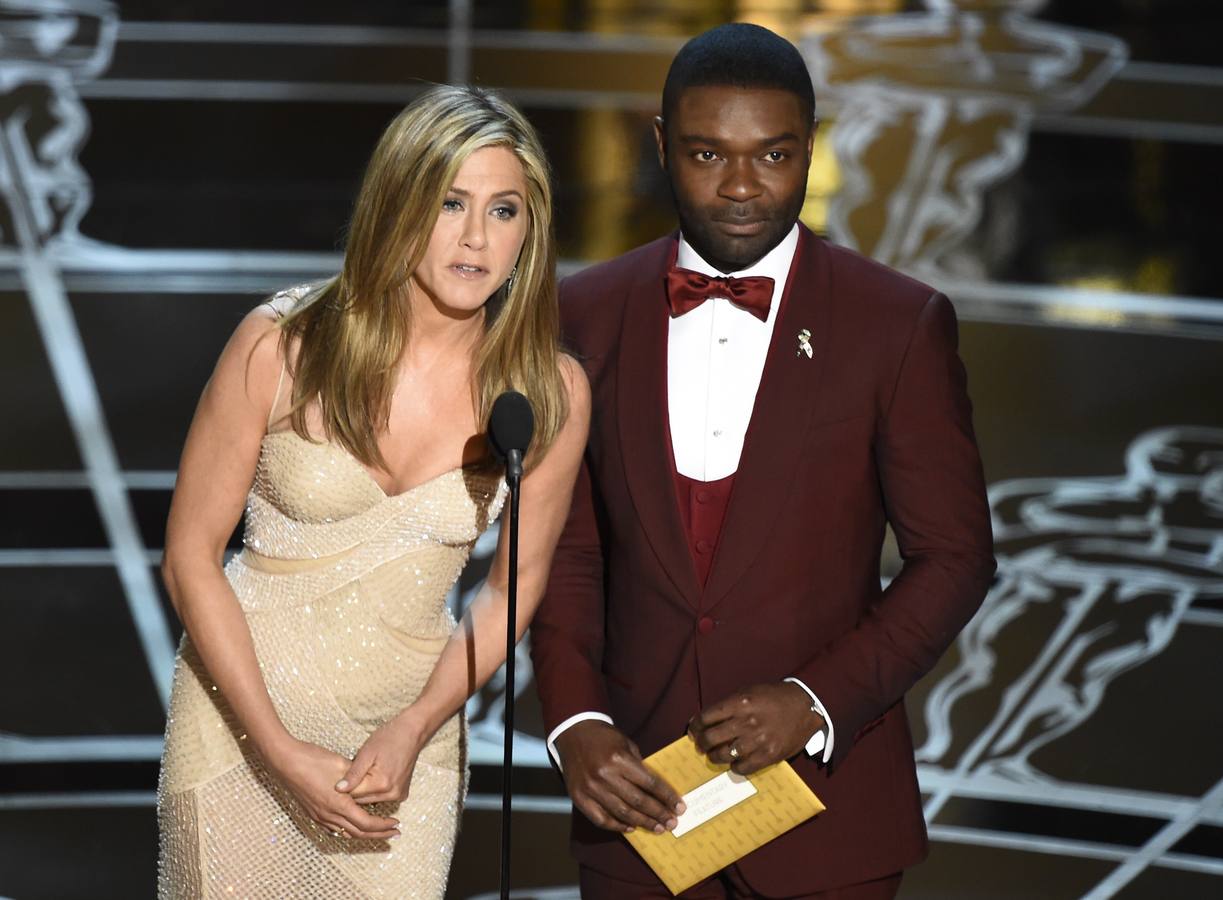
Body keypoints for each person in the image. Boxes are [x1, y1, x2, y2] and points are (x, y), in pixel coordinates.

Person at [530, 23, 994, 899]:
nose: (741, 187)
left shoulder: (894, 323)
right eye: (707, 154)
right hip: (637, 804)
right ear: (661, 144)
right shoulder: (580, 314)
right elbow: (567, 547)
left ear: (810, 148)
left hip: (827, 809)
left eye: (773, 154)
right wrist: (575, 721)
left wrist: (815, 700)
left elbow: (956, 556)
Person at [156, 84, 589, 899]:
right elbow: (189, 558)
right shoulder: (280, 345)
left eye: (503, 210)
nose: (474, 238)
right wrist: (279, 747)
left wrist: (417, 724)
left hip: (402, 749)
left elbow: (511, 590)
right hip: (239, 731)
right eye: (450, 202)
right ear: (399, 202)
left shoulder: (545, 391)